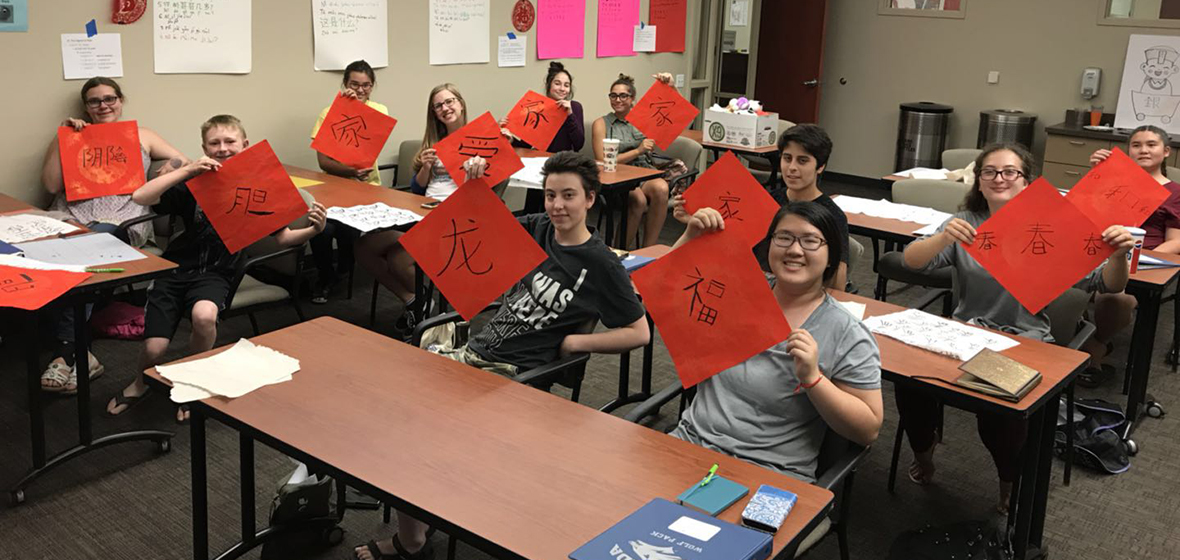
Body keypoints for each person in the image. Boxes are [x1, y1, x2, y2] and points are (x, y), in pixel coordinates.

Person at [354, 151, 650, 560]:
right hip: (477, 352)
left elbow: (639, 332)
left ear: (590, 199)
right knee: (386, 400)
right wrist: (479, 185)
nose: (558, 205)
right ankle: (420, 512)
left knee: (410, 427)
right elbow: (487, 225)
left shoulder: (600, 264)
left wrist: (575, 343)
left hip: (514, 373)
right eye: (550, 195)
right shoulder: (542, 228)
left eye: (568, 196)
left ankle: (412, 540)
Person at [897, 143, 1134, 513]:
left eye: (1010, 172)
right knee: (912, 384)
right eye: (989, 171)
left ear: (1027, 181)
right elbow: (912, 263)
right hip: (966, 334)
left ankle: (1009, 480)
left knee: (998, 415)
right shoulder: (968, 222)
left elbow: (1109, 285)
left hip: (1022, 340)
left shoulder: (1050, 229)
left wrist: (1118, 254)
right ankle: (925, 454)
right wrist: (943, 238)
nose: (999, 179)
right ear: (978, 180)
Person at [106, 115, 327, 422]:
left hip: (218, 272)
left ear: (245, 145)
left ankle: (193, 382)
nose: (223, 148)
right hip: (175, 269)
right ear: (204, 148)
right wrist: (187, 170)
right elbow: (141, 196)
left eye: (230, 141)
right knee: (155, 350)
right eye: (215, 143)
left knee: (204, 315)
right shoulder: (196, 182)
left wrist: (313, 232)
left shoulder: (261, 183)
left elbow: (286, 238)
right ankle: (141, 382)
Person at [666, 201, 883, 483]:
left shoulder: (846, 332)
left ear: (831, 256)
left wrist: (813, 379)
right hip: (689, 445)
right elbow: (660, 294)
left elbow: (868, 430)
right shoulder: (735, 291)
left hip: (769, 472)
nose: (794, 250)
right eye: (783, 237)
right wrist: (689, 239)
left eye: (810, 241)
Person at [38, 77, 188, 395]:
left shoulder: (141, 135)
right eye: (95, 101)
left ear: (121, 100)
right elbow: (51, 187)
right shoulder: (74, 135)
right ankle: (83, 354)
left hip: (122, 220)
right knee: (46, 257)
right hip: (71, 218)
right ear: (86, 107)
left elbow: (182, 160)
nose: (103, 105)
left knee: (85, 251)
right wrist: (62, 137)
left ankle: (66, 351)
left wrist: (170, 167)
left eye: (110, 98)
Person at [355, 84, 487, 334]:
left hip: (455, 219)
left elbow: (487, 190)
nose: (445, 108)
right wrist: (425, 168)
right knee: (363, 247)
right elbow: (417, 188)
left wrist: (478, 170)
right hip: (421, 211)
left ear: (461, 103)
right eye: (438, 106)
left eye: (449, 102)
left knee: (399, 258)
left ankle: (420, 308)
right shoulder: (433, 141)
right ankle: (416, 301)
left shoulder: (480, 140)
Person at [674, 123, 850, 289]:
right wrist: (694, 220)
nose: (792, 168)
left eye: (802, 161)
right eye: (787, 158)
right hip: (749, 286)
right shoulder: (764, 201)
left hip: (796, 294)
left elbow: (837, 284)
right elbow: (730, 243)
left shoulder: (832, 215)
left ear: (820, 167)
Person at [1080, 124, 1180, 386]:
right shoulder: (1115, 182)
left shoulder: (1175, 192)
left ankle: (1096, 346)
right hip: (1098, 249)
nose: (1143, 150)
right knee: (1058, 284)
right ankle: (1081, 336)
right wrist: (1098, 174)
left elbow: (1176, 241)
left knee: (1114, 298)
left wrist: (1137, 257)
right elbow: (1085, 215)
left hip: (1142, 257)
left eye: (1151, 144)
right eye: (1136, 145)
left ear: (1166, 151)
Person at [308, 60, 388, 304]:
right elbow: (324, 162)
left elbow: (364, 149)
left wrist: (353, 109)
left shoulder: (380, 110)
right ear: (345, 84)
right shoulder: (328, 112)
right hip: (334, 187)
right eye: (355, 84)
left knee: (347, 229)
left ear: (372, 87)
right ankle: (326, 276)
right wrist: (343, 108)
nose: (361, 90)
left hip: (367, 188)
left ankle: (344, 269)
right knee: (320, 228)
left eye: (366, 85)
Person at [591, 74, 673, 249]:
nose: (617, 100)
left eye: (623, 96)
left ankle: (647, 251)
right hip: (616, 176)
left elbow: (671, 112)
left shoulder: (643, 120)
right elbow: (602, 160)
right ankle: (618, 252)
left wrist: (670, 86)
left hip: (643, 170)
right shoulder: (601, 123)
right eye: (613, 95)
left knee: (661, 188)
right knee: (638, 200)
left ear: (632, 99)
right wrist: (638, 150)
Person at [503, 61, 586, 213]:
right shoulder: (537, 108)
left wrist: (569, 115)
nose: (562, 88)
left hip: (564, 164)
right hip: (540, 165)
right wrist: (510, 137)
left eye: (566, 85)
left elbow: (579, 143)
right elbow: (527, 145)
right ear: (549, 85)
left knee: (558, 209)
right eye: (557, 83)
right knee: (534, 209)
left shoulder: (575, 107)